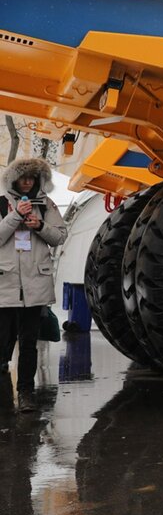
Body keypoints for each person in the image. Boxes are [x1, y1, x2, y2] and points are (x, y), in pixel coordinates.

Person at [0, 158, 67, 414]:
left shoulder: (46, 205)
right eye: (23, 177)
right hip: (5, 285)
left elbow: (59, 236)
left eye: (32, 177)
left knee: (29, 343)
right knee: (3, 339)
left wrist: (39, 225)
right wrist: (16, 215)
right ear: (14, 180)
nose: (27, 182)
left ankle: (26, 392)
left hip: (35, 285)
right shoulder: (1, 203)